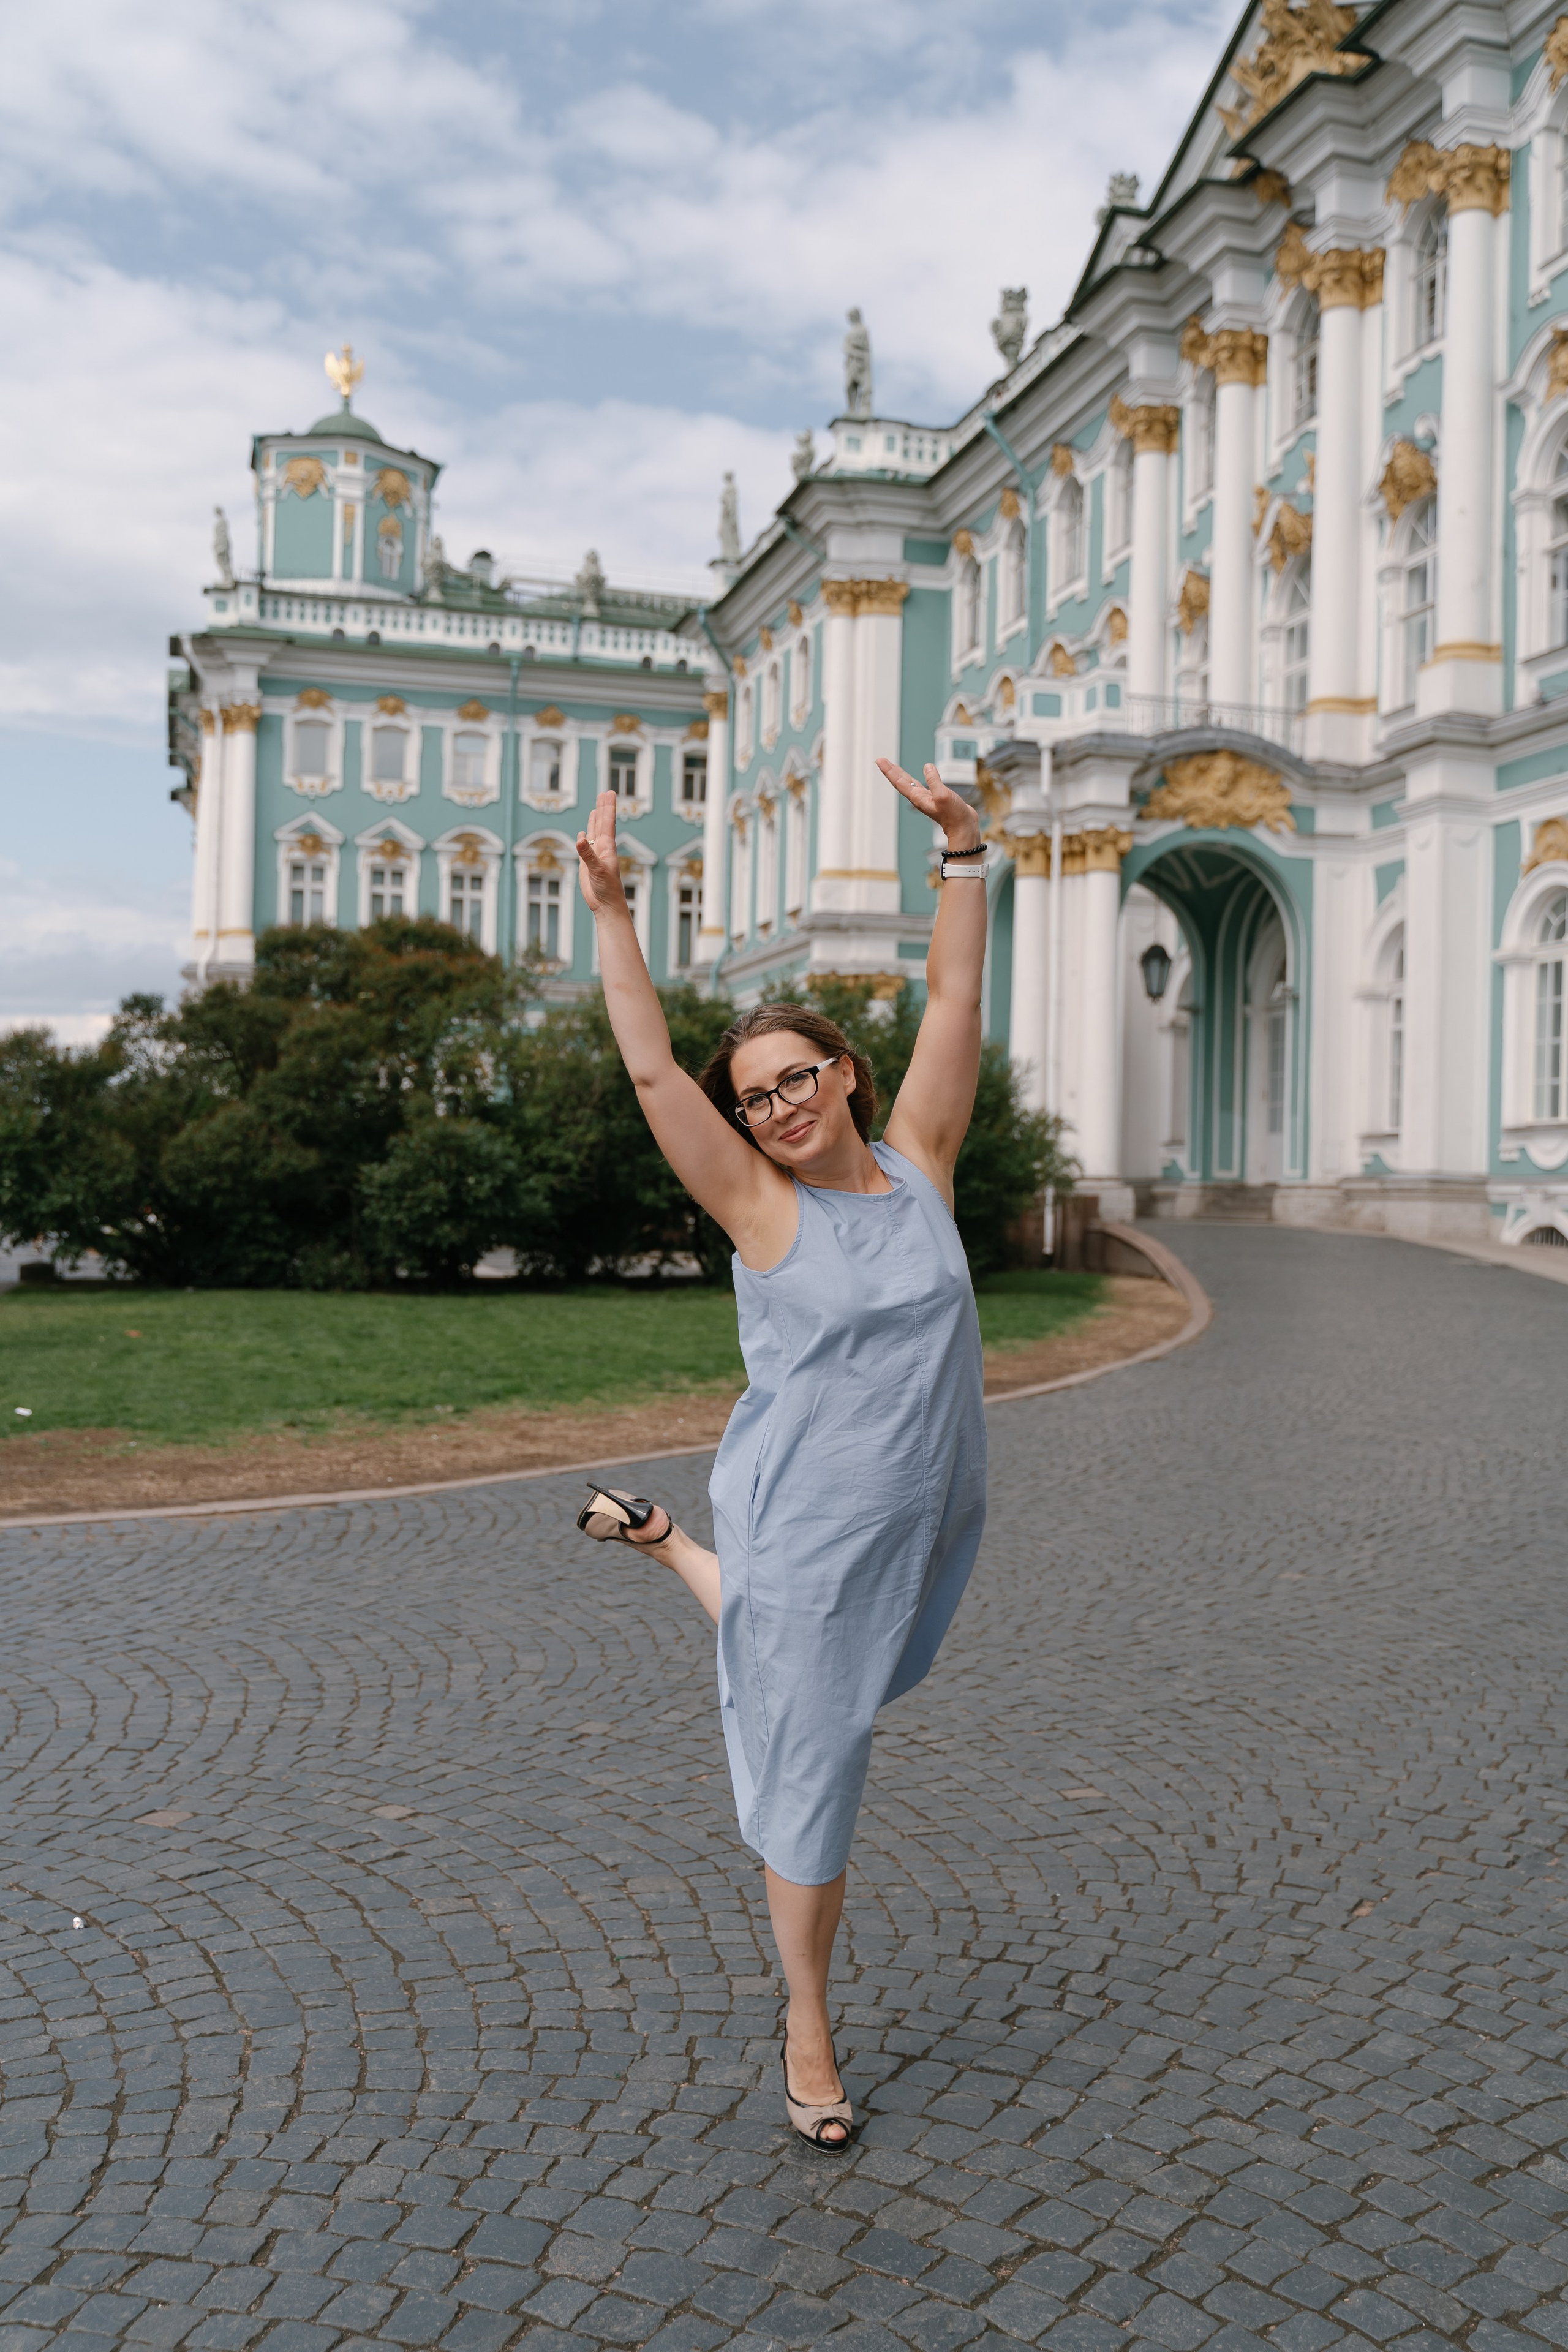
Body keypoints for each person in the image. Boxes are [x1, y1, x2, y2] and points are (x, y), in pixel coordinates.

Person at [573, 756, 990, 2150]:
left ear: (844, 1073)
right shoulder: (762, 1208)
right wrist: (617, 918)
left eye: (794, 1078)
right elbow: (645, 1066)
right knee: (817, 1757)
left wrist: (963, 857)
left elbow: (949, 1000)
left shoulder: (922, 1159)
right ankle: (806, 2023)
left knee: (829, 1676)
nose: (775, 1108)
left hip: (921, 1513)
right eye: (752, 1098)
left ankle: (668, 1546)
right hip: (810, 1522)